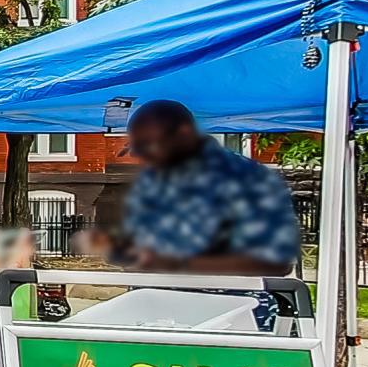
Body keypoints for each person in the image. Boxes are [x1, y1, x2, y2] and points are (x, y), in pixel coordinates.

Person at [117, 101, 300, 277]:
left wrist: (177, 265)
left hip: (228, 304)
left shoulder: (249, 178)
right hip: (155, 300)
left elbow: (278, 263)